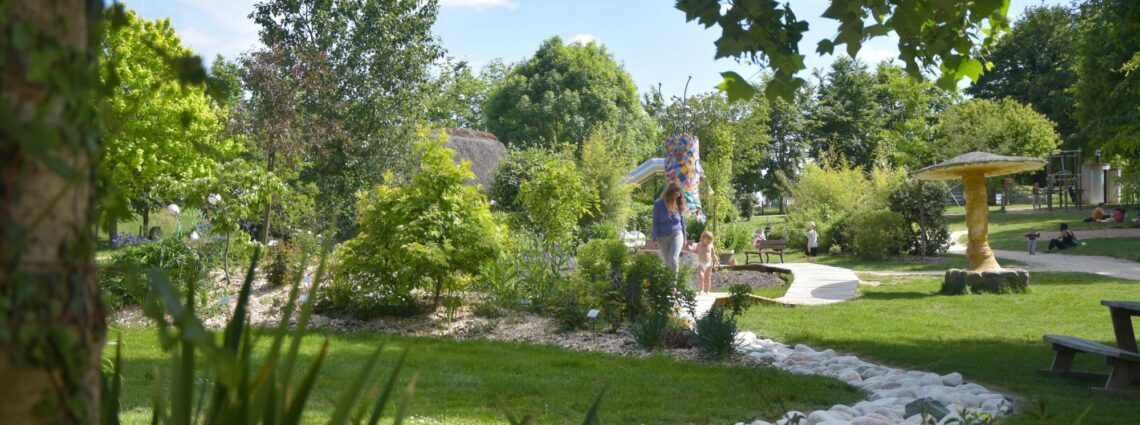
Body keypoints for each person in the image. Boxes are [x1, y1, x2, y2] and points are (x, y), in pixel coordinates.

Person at [652, 183, 687, 275]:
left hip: (677, 234)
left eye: (679, 194)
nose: (678, 196)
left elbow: (683, 222)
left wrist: (685, 238)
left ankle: (673, 287)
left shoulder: (678, 203)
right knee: (667, 263)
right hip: (662, 237)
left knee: (673, 258)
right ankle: (667, 285)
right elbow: (655, 223)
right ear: (670, 193)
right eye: (676, 194)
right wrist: (654, 239)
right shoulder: (658, 204)